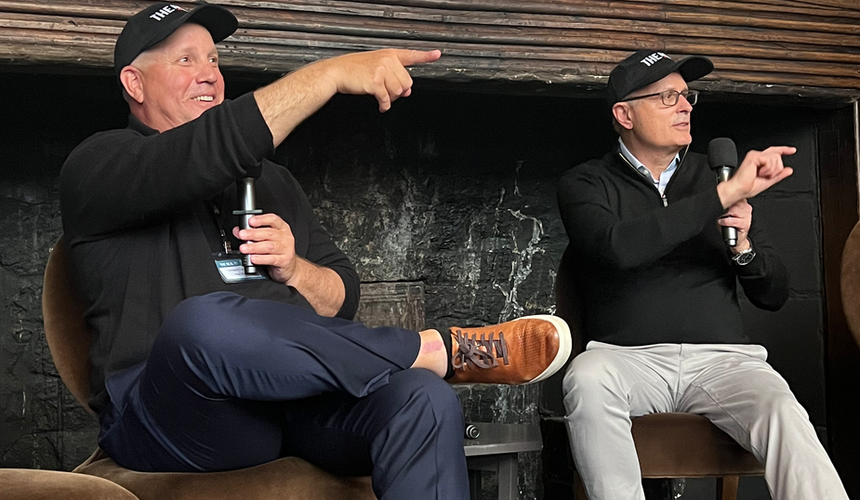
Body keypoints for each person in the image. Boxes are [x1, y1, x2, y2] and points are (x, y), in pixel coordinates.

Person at [59, 3, 571, 500]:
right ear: (134, 83)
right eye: (185, 60)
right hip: (181, 417)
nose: (209, 75)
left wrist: (296, 269)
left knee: (422, 398)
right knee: (201, 324)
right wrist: (329, 75)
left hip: (291, 411)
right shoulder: (99, 166)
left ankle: (429, 368)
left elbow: (340, 296)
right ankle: (432, 350)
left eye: (214, 59)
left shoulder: (272, 181)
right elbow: (206, 152)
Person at [557, 49, 848, 500]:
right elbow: (618, 247)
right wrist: (723, 194)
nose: (686, 106)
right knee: (587, 378)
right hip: (629, 361)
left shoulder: (715, 177)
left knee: (780, 407)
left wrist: (745, 246)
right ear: (624, 114)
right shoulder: (586, 183)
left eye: (687, 95)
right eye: (668, 96)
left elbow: (775, 294)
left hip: (723, 361)